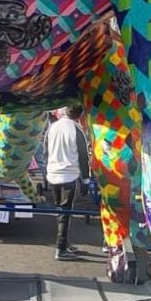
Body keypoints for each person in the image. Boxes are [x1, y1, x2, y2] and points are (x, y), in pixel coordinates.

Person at [45, 105, 89, 261]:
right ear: (79, 115)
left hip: (52, 174)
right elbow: (84, 157)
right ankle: (61, 248)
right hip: (69, 176)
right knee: (66, 213)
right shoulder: (77, 130)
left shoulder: (52, 128)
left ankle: (65, 243)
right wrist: (86, 180)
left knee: (60, 212)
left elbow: (45, 152)